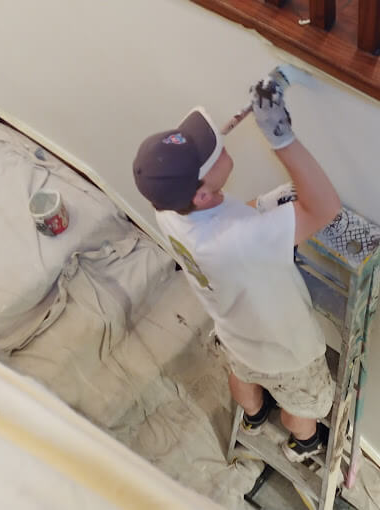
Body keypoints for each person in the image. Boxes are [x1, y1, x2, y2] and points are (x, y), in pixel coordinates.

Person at [132, 74, 340, 462]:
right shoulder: (239, 241)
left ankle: (254, 416)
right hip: (287, 350)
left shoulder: (168, 209)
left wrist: (260, 207)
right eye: (207, 153)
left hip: (235, 334)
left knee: (243, 376)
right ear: (201, 192)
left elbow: (225, 216)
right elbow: (325, 207)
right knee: (304, 405)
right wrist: (281, 138)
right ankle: (304, 443)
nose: (218, 141)